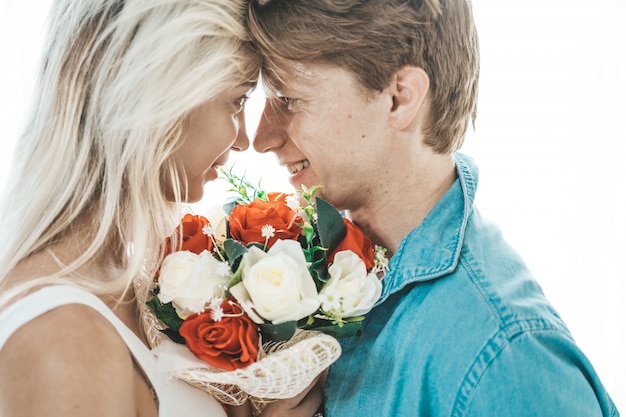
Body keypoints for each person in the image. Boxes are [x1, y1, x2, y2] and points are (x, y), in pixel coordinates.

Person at [246, 0, 620, 416]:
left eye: (289, 99)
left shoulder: (507, 360)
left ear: (399, 98)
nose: (261, 138)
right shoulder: (319, 259)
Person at [0, 0, 318, 416]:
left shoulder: (130, 283)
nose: (243, 141)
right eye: (237, 101)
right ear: (160, 95)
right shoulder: (59, 339)